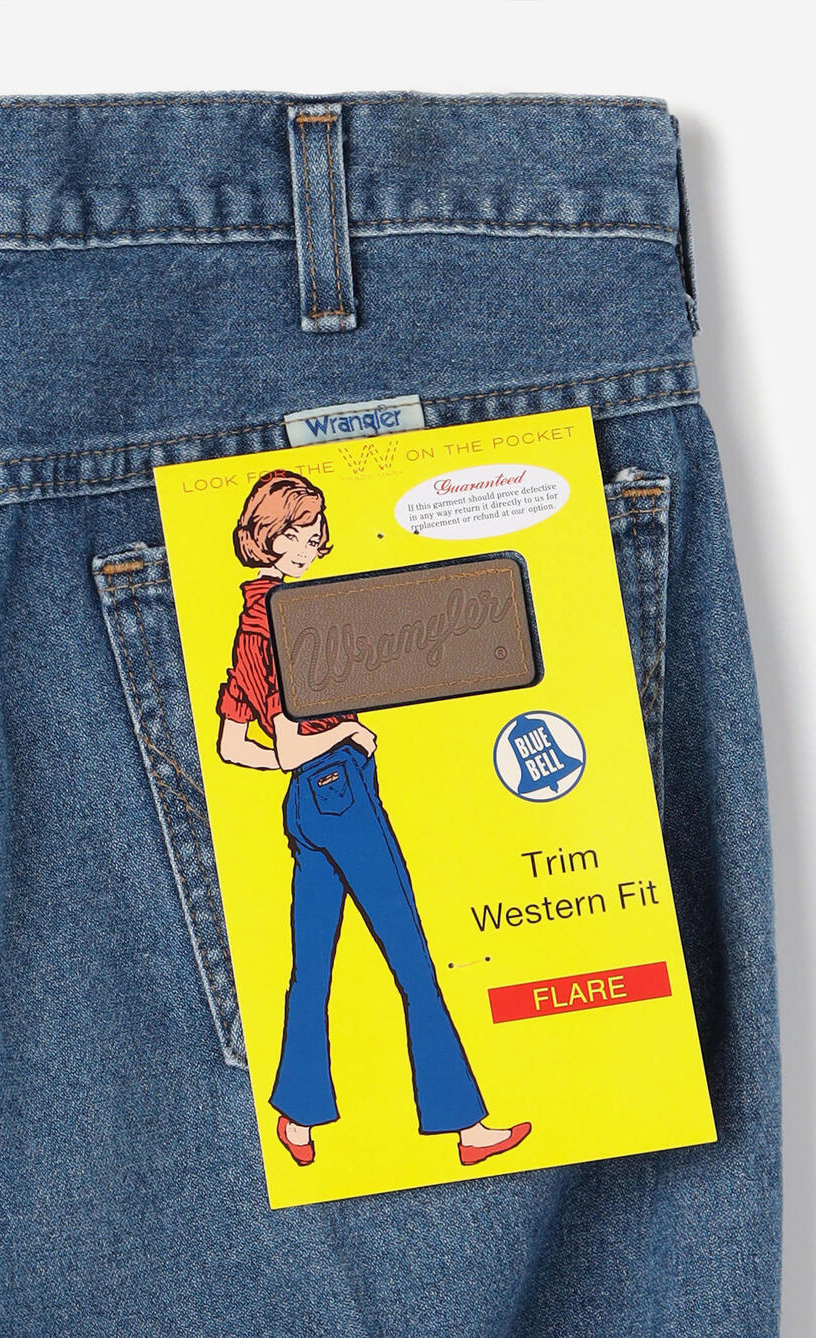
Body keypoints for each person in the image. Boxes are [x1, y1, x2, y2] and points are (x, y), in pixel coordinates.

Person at [215, 470, 532, 1168]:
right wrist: (348, 735)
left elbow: (233, 746)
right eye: (298, 531)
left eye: (313, 529)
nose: (311, 542)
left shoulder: (249, 622)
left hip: (305, 805)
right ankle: (466, 1127)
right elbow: (292, 743)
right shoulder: (285, 620)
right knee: (410, 958)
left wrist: (304, 763)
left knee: (311, 967)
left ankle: (297, 1116)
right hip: (342, 795)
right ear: (268, 536)